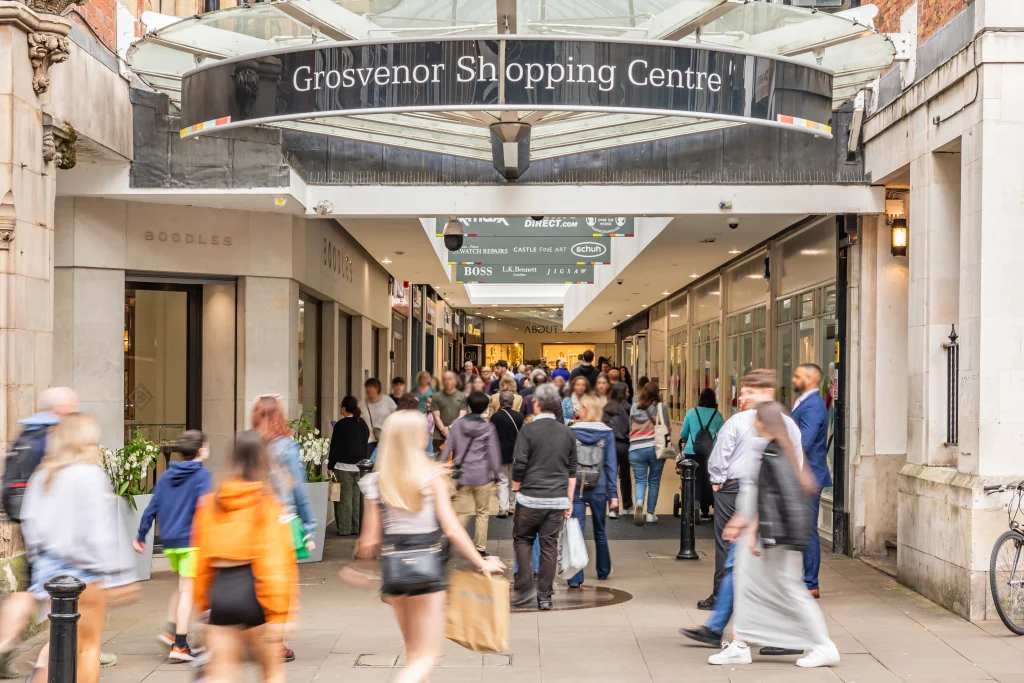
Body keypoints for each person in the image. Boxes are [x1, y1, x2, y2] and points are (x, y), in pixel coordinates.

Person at [355, 411, 504, 683]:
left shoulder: (376, 482)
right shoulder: (431, 476)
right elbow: (452, 529)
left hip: (394, 569)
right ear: (416, 437)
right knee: (427, 656)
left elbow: (369, 541)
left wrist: (361, 567)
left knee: (413, 653)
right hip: (426, 565)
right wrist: (481, 562)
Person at [707, 401, 838, 668]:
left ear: (764, 424)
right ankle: (740, 645)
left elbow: (772, 498)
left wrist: (751, 529)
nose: (752, 423)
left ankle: (823, 646)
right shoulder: (777, 450)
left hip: (775, 538)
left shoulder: (774, 454)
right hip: (775, 536)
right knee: (749, 586)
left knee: (790, 591)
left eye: (756, 419)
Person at [20, 413, 138, 683]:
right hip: (85, 572)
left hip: (50, 575)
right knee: (87, 648)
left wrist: (42, 564)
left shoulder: (43, 475)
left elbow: (30, 523)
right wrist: (121, 576)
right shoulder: (89, 474)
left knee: (59, 647)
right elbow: (102, 532)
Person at [192, 430, 297, 683]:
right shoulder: (268, 505)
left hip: (222, 590)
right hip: (255, 590)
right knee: (272, 672)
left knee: (223, 672)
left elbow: (201, 558)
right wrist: (280, 614)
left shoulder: (210, 504)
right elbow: (275, 563)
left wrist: (203, 604)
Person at [697, 369, 800, 612]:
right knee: (759, 550)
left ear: (766, 393)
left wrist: (717, 480)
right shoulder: (788, 424)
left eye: (747, 393)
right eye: (741, 393)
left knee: (727, 546)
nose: (741, 398)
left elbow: (721, 454)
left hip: (735, 489)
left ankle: (722, 597)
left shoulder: (738, 421)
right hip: (767, 494)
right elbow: (798, 460)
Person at [0, 387, 79, 679]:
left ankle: (5, 643)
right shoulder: (52, 436)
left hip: (26, 520)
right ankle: (56, 654)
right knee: (57, 589)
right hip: (50, 526)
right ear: (61, 409)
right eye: (72, 407)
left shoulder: (26, 431)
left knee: (31, 587)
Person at [135, 430, 213, 661]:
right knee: (189, 590)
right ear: (200, 451)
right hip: (192, 542)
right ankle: (180, 645)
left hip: (170, 542)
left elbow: (152, 507)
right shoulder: (203, 476)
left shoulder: (168, 475)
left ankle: (171, 633)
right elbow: (206, 509)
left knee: (182, 587)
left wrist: (140, 535)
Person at [252, 396, 316, 662]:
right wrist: (310, 524)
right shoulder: (287, 447)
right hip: (281, 523)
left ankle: (258, 637)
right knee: (282, 584)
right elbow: (298, 487)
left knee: (257, 581)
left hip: (255, 521)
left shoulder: (251, 443)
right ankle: (276, 643)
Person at [510, 384, 578, 610]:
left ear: (536, 405)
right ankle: (545, 597)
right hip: (557, 499)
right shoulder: (567, 432)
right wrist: (569, 500)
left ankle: (526, 584)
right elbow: (572, 469)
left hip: (530, 497)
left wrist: (516, 487)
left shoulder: (527, 431)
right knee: (550, 546)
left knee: (522, 539)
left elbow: (519, 463)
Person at [441, 391, 502, 556]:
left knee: (460, 512)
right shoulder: (487, 427)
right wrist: (496, 476)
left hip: (462, 475)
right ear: (484, 408)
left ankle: (450, 541)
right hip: (482, 477)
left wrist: (440, 467)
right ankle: (480, 549)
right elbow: (493, 453)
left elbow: (448, 447)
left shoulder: (458, 425)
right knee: (482, 513)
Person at [567, 394, 617, 587]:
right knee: (600, 531)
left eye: (580, 407)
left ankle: (575, 578)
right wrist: (614, 495)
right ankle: (603, 571)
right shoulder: (607, 433)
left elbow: (567, 462)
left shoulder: (571, 431)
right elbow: (611, 465)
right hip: (599, 486)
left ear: (586, 410)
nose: (577, 409)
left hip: (576, 488)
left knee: (575, 531)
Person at [791, 364, 831, 598]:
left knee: (807, 530)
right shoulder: (807, 403)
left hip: (808, 476)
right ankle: (805, 580)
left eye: (798, 376)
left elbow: (803, 443)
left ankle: (810, 583)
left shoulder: (814, 405)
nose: (793, 379)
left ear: (810, 379)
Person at [679, 389, 725, 520]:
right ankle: (706, 507)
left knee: (695, 478)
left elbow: (683, 434)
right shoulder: (717, 415)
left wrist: (690, 438)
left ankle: (695, 504)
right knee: (709, 479)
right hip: (711, 453)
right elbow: (723, 433)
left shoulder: (691, 413)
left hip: (692, 452)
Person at [327, 396, 370, 536]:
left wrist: (330, 466)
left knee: (344, 499)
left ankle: (345, 529)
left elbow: (335, 448)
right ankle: (356, 528)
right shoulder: (362, 423)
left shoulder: (340, 425)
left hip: (343, 467)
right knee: (357, 499)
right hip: (360, 467)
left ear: (344, 408)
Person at [628, 381, 669, 524]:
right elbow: (667, 429)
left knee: (639, 480)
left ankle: (639, 502)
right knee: (654, 481)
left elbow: (629, 428)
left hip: (635, 448)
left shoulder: (633, 407)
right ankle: (650, 514)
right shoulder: (660, 407)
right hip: (655, 448)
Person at [489, 391, 524, 518]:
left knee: (503, 481)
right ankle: (511, 506)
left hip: (500, 453)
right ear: (512, 402)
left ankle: (502, 508)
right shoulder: (519, 416)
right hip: (516, 453)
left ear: (500, 402)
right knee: (512, 480)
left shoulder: (495, 417)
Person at [602, 382, 632, 519]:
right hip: (625, 445)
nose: (628, 393)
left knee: (611, 476)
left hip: (610, 445)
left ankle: (613, 507)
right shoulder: (629, 408)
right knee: (625, 476)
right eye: (626, 391)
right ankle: (626, 506)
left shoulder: (606, 409)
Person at [430, 370, 467, 454]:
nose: (447, 381)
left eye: (450, 379)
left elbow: (462, 416)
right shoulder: (436, 396)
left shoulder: (463, 396)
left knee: (456, 464)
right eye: (445, 379)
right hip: (439, 437)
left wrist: (450, 428)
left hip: (458, 435)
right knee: (439, 463)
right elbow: (436, 417)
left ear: (455, 380)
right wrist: (445, 432)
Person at [361, 378, 397, 460]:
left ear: (377, 389)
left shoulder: (387, 400)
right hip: (368, 440)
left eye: (371, 387)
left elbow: (396, 415)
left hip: (385, 438)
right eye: (367, 387)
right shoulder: (362, 403)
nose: (368, 389)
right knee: (369, 463)